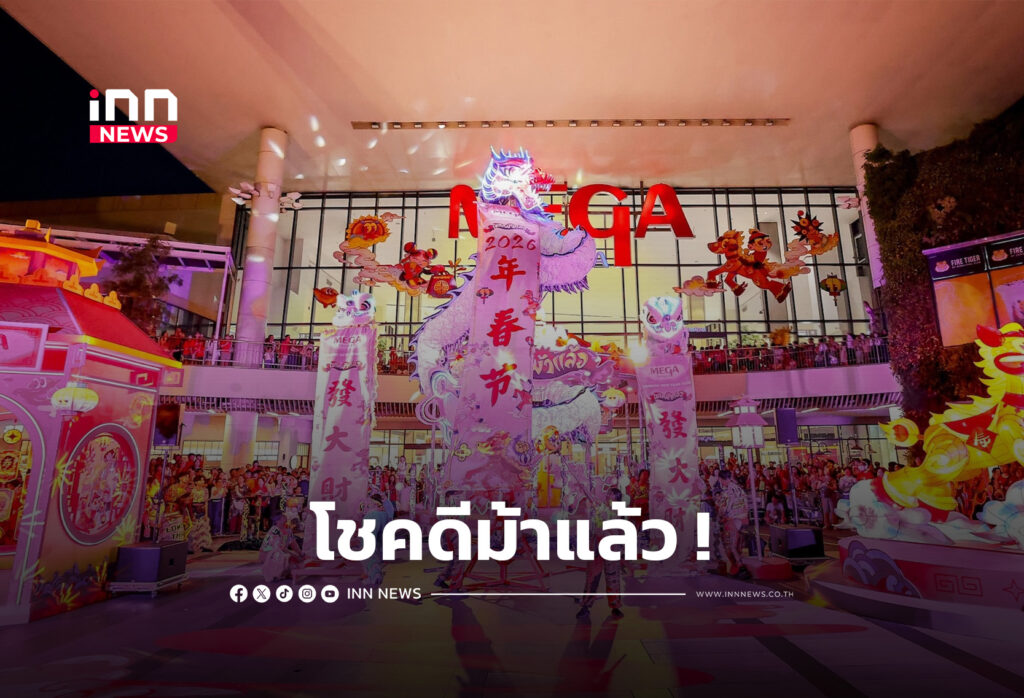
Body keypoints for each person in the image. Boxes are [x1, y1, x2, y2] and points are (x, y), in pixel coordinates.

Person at [576, 488, 626, 620]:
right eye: (608, 493)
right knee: (592, 577)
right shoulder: (600, 507)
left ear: (617, 498)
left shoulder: (618, 511)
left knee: (613, 578)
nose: (608, 496)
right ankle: (585, 606)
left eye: (612, 494)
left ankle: (615, 606)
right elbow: (592, 501)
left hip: (612, 546)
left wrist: (622, 551)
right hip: (597, 545)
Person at [714, 470, 748, 575]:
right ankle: (737, 566)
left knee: (731, 546)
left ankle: (740, 567)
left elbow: (723, 509)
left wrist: (717, 504)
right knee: (737, 545)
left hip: (733, 520)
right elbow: (745, 503)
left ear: (721, 479)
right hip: (743, 518)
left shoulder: (727, 492)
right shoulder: (739, 489)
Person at [259, 513, 303, 583]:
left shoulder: (288, 530)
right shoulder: (275, 530)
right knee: (284, 556)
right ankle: (276, 574)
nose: (285, 517)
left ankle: (286, 573)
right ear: (277, 521)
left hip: (281, 551)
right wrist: (294, 554)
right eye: (282, 517)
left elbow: (293, 543)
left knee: (294, 558)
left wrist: (300, 554)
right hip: (270, 553)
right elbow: (279, 547)